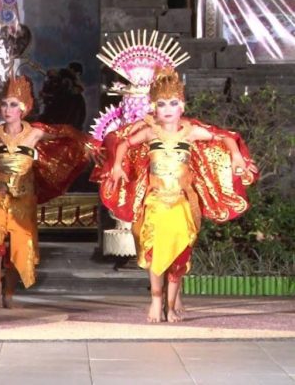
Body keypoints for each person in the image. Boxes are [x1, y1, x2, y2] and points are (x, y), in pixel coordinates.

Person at [99, 68, 258, 322]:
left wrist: (237, 156)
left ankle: (171, 305)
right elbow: (124, 144)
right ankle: (156, 301)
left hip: (183, 203)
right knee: (153, 251)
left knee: (180, 255)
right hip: (155, 202)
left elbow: (224, 137)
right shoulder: (150, 132)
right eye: (161, 104)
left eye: (173, 103)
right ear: (154, 107)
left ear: (182, 106)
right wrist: (117, 165)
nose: (168, 108)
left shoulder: (191, 132)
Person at [0, 75, 98, 309]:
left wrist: (86, 144)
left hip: (24, 198)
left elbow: (66, 135)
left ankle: (9, 292)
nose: (7, 109)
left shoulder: (34, 133)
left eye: (13, 105)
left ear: (23, 109)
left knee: (20, 246)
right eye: (4, 104)